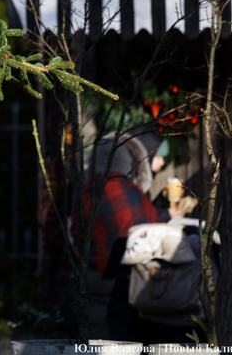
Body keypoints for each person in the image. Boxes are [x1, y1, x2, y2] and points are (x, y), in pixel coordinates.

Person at [82, 125, 183, 341]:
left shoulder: (87, 188)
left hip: (90, 281)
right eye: (160, 156)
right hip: (119, 284)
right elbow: (148, 231)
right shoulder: (120, 188)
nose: (162, 163)